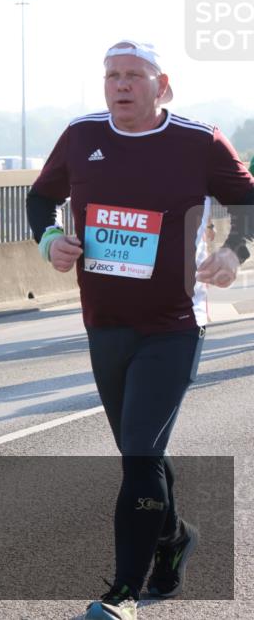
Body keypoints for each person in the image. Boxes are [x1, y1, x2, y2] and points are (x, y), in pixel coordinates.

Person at [26, 40, 254, 620]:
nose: (120, 85)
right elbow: (41, 198)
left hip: (174, 324)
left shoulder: (198, 142)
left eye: (133, 75)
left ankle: (123, 593)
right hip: (104, 322)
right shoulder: (81, 136)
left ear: (162, 85)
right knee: (140, 450)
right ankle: (174, 537)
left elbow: (249, 202)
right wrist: (51, 239)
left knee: (138, 455)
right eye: (111, 76)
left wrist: (234, 251)